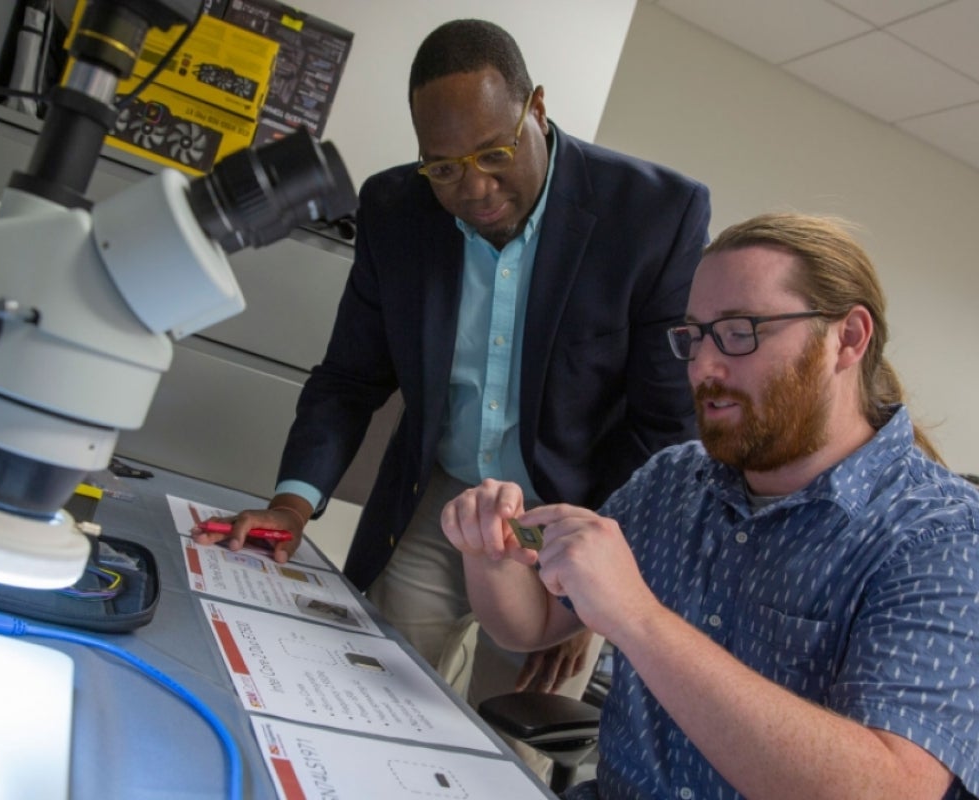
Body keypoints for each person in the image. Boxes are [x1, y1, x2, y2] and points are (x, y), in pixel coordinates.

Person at [194, 18, 711, 719]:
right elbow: (350, 378)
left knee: (509, 731)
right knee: (361, 689)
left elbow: (662, 427)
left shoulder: (652, 214)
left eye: (494, 153)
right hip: (440, 496)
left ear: (536, 110)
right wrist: (291, 504)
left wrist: (596, 585)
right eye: (443, 166)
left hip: (568, 513)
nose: (473, 188)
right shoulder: (395, 208)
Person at [440, 212, 979, 799]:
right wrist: (488, 550)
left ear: (847, 338)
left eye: (740, 331)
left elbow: (890, 789)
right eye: (693, 337)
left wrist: (638, 618)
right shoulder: (674, 479)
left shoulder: (944, 537)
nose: (703, 367)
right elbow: (535, 623)